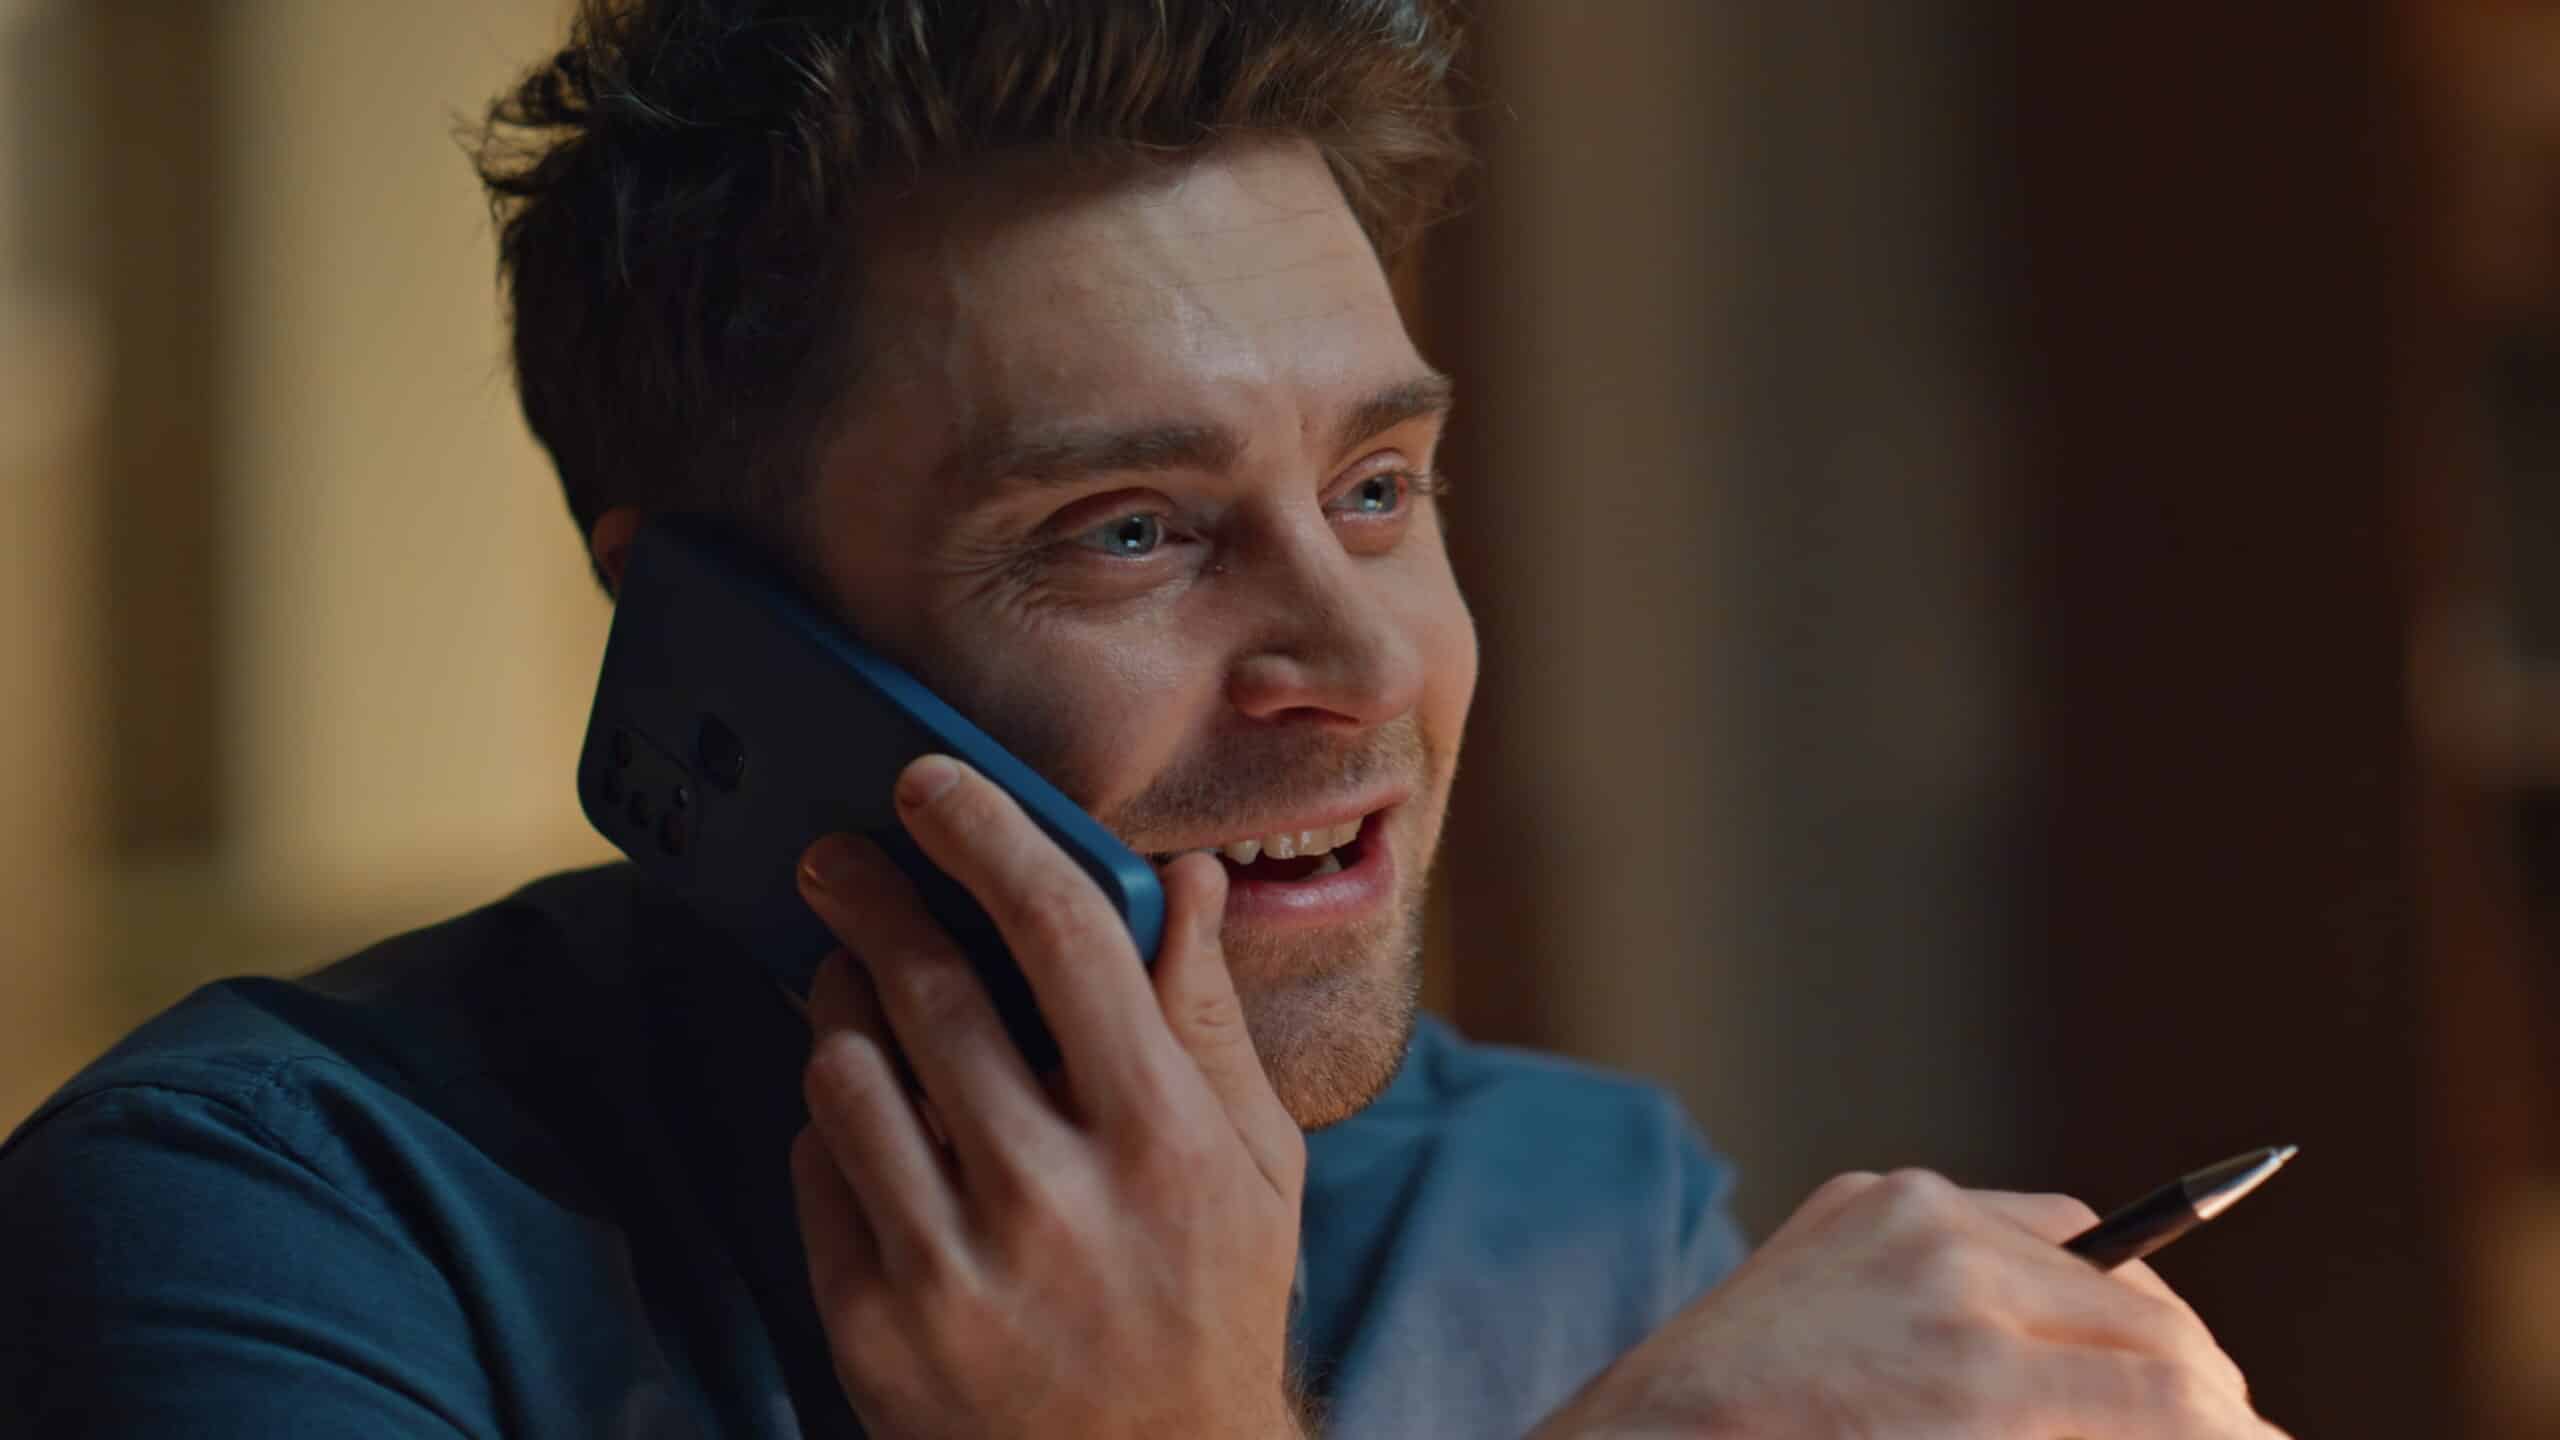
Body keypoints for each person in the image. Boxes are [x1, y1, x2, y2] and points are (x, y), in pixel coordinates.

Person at [0, 3, 2289, 1436]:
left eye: (1378, 487)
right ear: (703, 642)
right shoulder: (256, 1235)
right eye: (1126, 530)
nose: (1364, 660)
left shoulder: (1573, 1215)